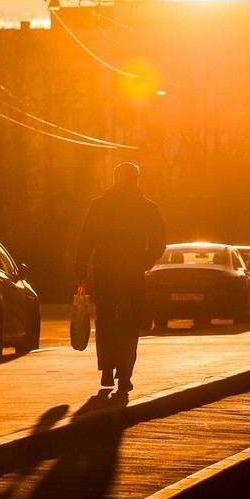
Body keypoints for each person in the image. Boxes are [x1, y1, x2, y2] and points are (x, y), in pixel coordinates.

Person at [74, 161, 165, 400]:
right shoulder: (147, 207)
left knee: (105, 320)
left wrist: (81, 271)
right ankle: (124, 375)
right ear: (136, 180)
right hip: (132, 275)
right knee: (129, 323)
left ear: (114, 179)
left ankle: (106, 368)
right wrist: (143, 263)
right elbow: (158, 243)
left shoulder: (99, 205)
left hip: (105, 273)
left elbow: (86, 240)